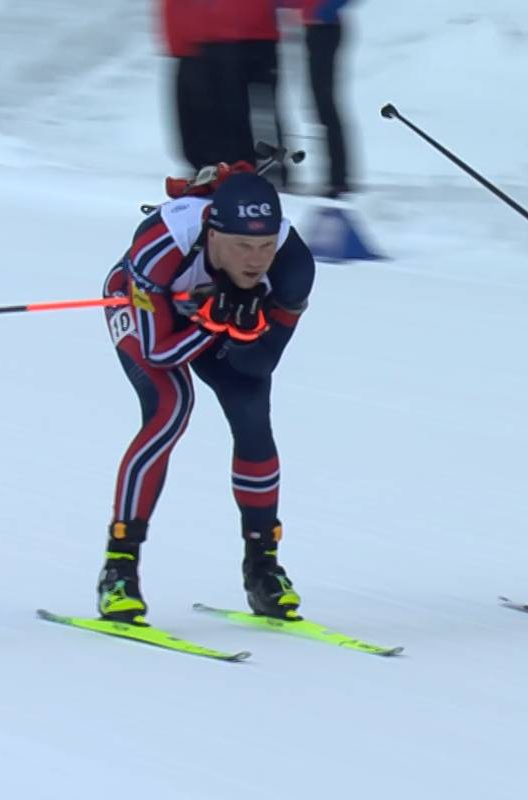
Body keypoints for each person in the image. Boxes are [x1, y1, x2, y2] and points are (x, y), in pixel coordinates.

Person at [98, 165, 315, 624]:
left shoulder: (293, 266)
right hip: (144, 306)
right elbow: (157, 352)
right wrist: (211, 318)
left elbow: (258, 365)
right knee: (170, 409)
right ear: (212, 234)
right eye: (241, 246)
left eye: (264, 246)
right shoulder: (162, 243)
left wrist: (243, 327)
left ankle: (263, 567)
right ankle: (119, 568)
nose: (255, 260)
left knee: (253, 415)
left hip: (207, 317)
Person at [160, 0, 287, 182]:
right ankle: (228, 164)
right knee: (226, 110)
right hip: (212, 40)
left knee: (250, 110)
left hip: (234, 39)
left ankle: (260, 167)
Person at [301, 0, 352, 198]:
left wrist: (325, 10)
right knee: (321, 105)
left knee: (325, 104)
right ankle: (336, 177)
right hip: (315, 27)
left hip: (325, 28)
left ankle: (338, 178)